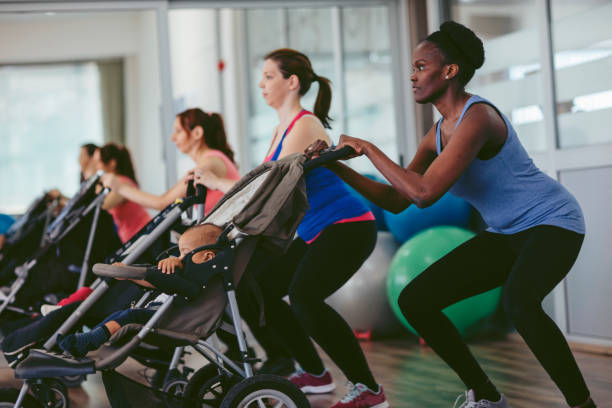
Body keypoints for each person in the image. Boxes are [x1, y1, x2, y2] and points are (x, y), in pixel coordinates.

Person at [306, 21, 595, 408]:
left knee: (520, 303)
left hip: (552, 222)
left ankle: (582, 404)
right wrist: (335, 166)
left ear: (450, 71)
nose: (413, 76)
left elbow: (424, 193)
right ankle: (488, 397)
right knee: (416, 300)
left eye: (421, 66)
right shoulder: (438, 133)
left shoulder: (478, 118)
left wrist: (369, 149)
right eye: (413, 67)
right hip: (506, 232)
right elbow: (396, 200)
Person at [198, 48, 388, 408]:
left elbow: (268, 190)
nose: (261, 84)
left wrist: (216, 182)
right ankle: (315, 374)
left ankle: (369, 390)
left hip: (346, 225)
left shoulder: (305, 125)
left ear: (292, 82)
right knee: (261, 287)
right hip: (317, 230)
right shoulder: (280, 129)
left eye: (269, 76)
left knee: (305, 297)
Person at [57, 223, 222, 358]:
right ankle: (86, 339)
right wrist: (130, 274)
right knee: (123, 313)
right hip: (160, 313)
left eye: (184, 253)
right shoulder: (189, 270)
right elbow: (157, 283)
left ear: (207, 257)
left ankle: (90, 340)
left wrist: (142, 273)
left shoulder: (199, 278)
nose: (178, 257)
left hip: (174, 319)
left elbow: (178, 286)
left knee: (130, 316)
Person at [101, 108, 239, 215]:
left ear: (197, 133)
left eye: (178, 131)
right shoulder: (211, 159)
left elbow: (163, 202)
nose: (173, 138)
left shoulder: (210, 162)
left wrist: (119, 187)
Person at [94, 143, 151, 244]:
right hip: (133, 236)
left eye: (99, 162)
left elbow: (104, 204)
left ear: (112, 163)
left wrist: (96, 184)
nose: (96, 167)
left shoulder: (122, 183)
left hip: (142, 235)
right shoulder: (118, 182)